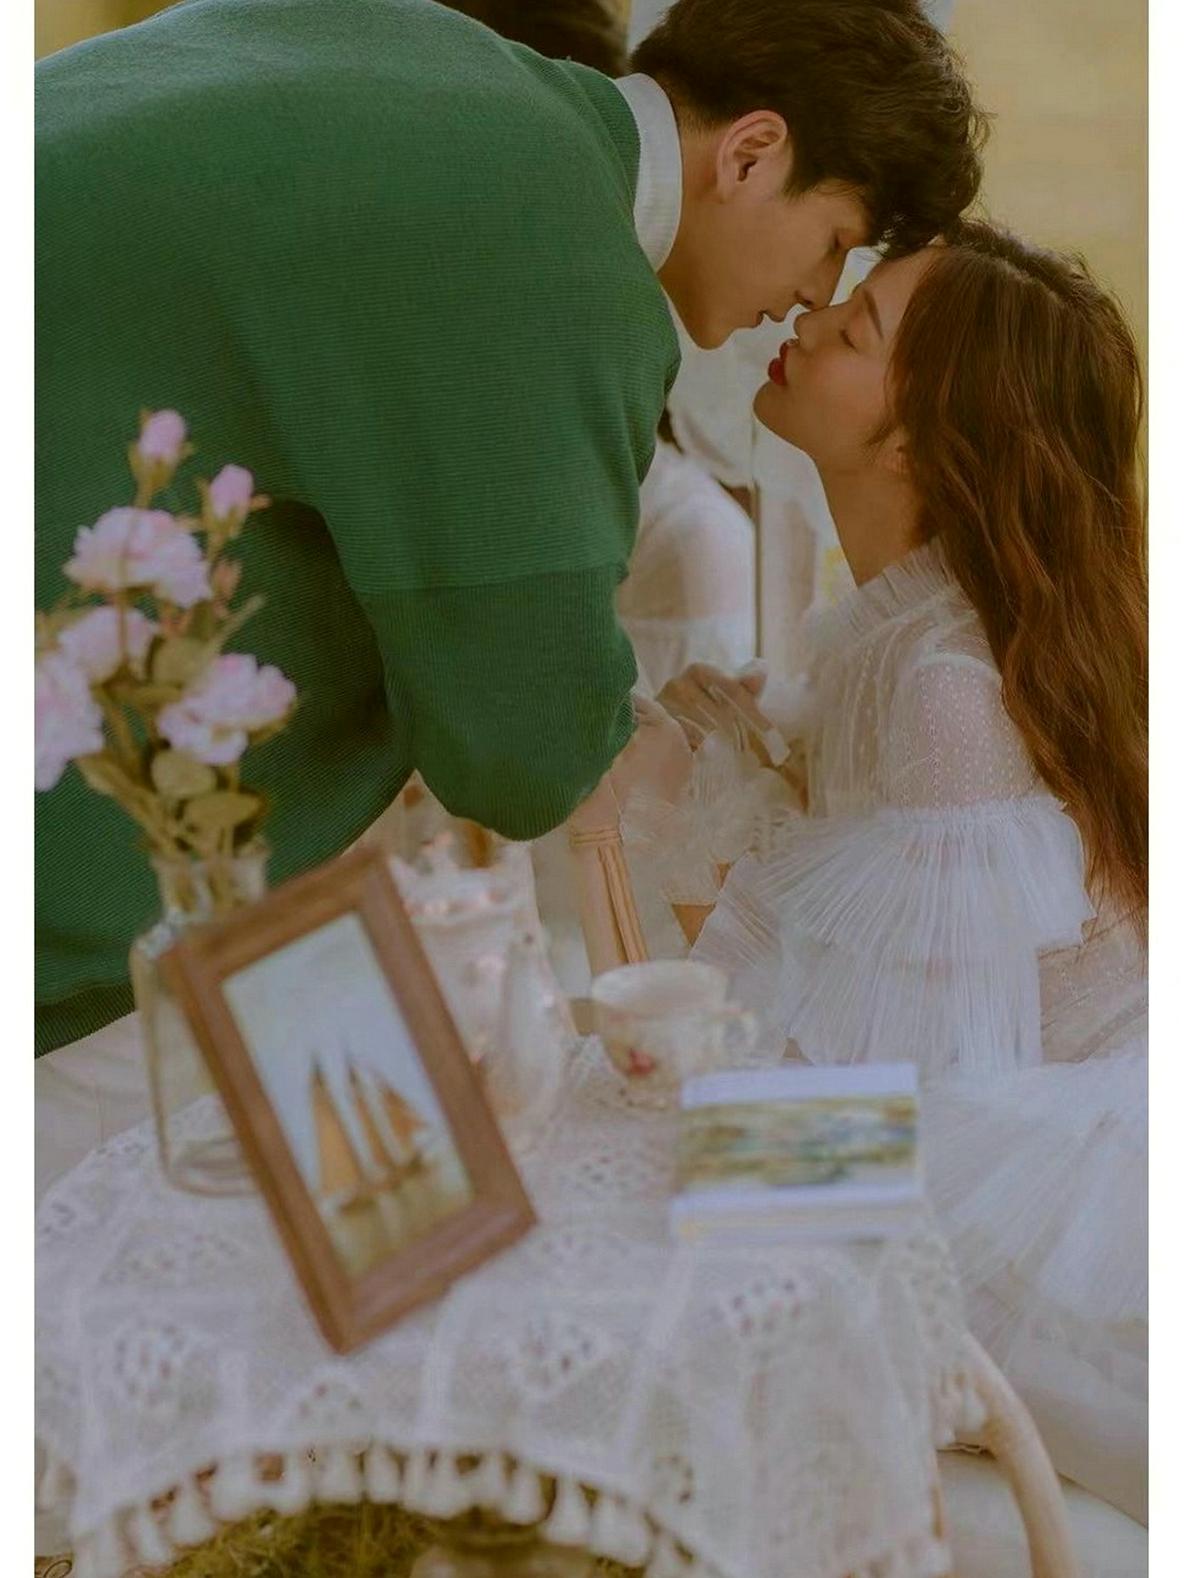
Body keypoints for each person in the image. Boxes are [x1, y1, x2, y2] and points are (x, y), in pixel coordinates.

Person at [35, 0, 984, 1055]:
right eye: (833, 243)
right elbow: (525, 750)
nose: (811, 295)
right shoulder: (559, 258)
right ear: (751, 153)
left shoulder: (438, 55)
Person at [662, 221, 1147, 1518]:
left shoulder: (946, 688)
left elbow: (907, 1123)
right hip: (992, 1124)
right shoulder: (892, 626)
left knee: (670, 1188)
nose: (809, 315)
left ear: (916, 444)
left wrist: (697, 1109)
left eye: (857, 327)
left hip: (1063, 1198)